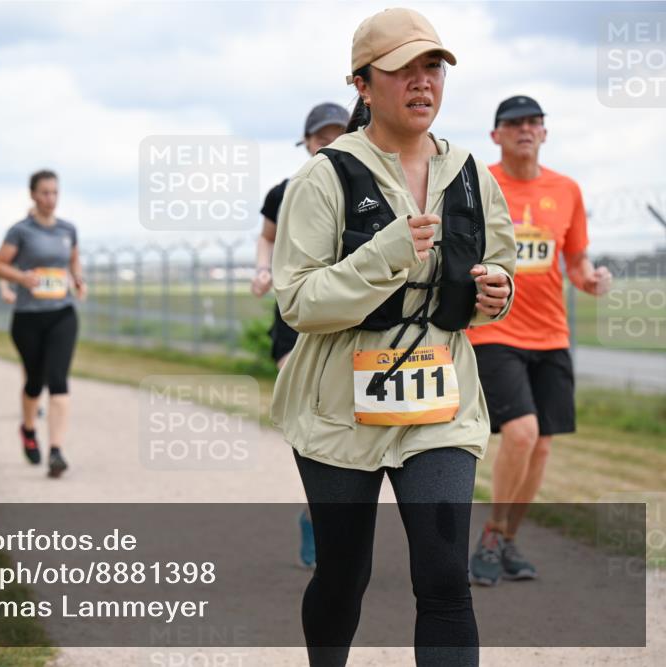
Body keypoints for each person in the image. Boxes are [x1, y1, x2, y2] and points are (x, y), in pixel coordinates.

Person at [270, 8, 517, 666]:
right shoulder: (325, 177)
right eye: (402, 69)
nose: (421, 82)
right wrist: (383, 254)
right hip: (338, 410)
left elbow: (500, 264)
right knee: (343, 575)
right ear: (361, 83)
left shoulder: (470, 173)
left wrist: (497, 289)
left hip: (440, 405)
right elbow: (296, 299)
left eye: (432, 67)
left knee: (443, 581)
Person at [467, 96, 613, 586]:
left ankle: (508, 539)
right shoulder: (479, 183)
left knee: (542, 447)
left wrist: (590, 279)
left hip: (552, 335)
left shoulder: (566, 189)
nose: (524, 130)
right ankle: (490, 536)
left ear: (545, 133)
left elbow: (574, 261)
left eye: (533, 122)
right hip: (494, 329)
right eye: (513, 123)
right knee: (521, 432)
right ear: (496, 135)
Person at [252, 102, 350, 570]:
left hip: (350, 325)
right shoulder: (285, 191)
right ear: (307, 143)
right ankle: (317, 517)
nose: (330, 142)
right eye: (321, 136)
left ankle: (330, 517)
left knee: (344, 428)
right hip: (295, 321)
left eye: (339, 134)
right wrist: (262, 269)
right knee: (312, 421)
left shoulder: (366, 187)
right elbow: (267, 238)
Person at [0, 169, 86, 478]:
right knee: (35, 382)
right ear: (33, 194)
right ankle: (28, 428)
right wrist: (22, 277)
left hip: (62, 313)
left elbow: (73, 258)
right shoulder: (21, 231)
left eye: (55, 192)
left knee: (58, 381)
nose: (50, 198)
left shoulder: (67, 229)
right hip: (28, 317)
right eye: (45, 192)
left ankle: (56, 451)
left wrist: (78, 280)